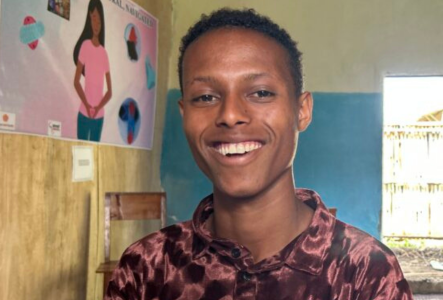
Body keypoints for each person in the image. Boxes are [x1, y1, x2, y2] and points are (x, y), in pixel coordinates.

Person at [106, 8, 412, 300]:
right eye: (205, 96)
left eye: (261, 93)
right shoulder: (146, 269)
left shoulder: (365, 273)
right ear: (184, 114)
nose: (229, 114)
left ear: (302, 111)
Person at [73, 0, 111, 141]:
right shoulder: (85, 46)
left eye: (99, 20)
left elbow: (109, 92)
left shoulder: (104, 53)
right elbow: (76, 82)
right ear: (89, 18)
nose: (96, 24)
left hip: (99, 117)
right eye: (94, 18)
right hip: (84, 113)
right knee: (80, 153)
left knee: (94, 155)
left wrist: (97, 107)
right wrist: (88, 105)